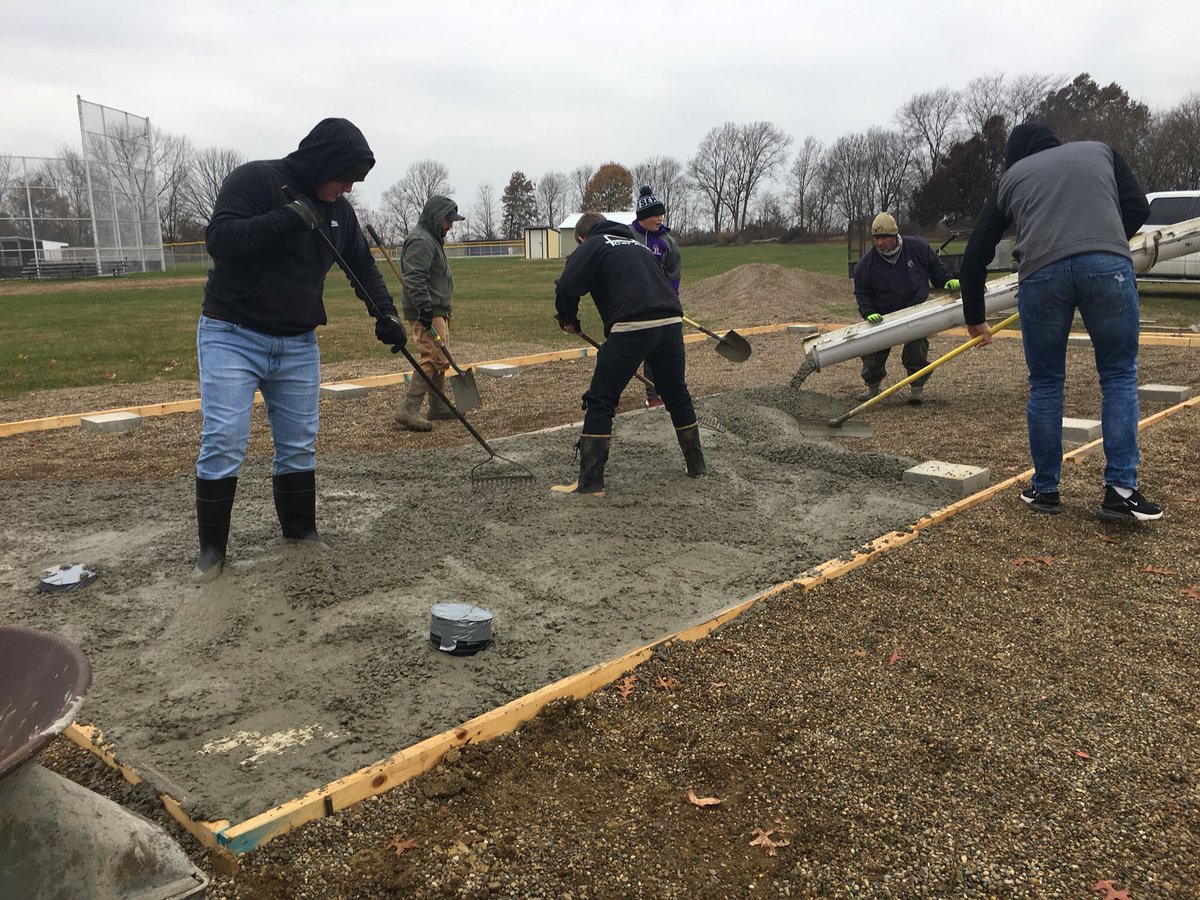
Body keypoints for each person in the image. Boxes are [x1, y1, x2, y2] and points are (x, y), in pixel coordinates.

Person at [194, 118, 407, 580]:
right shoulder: (255, 180)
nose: (348, 187)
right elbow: (221, 240)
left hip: (297, 342)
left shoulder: (339, 212)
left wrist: (385, 314)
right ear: (320, 162)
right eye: (344, 176)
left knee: (298, 445)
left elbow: (362, 268)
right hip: (232, 332)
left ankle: (299, 531)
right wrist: (285, 219)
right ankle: (212, 552)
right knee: (225, 439)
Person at [960, 122, 1160, 522]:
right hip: (1108, 269)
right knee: (1119, 374)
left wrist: (975, 319)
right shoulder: (1100, 151)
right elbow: (1139, 207)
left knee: (1047, 382)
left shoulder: (1011, 178)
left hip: (1041, 275)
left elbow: (975, 254)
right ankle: (1121, 490)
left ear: (1016, 155)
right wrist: (1103, 241)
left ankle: (1046, 489)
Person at [553, 212, 706, 494]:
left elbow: (565, 285)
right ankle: (697, 467)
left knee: (601, 399)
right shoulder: (637, 245)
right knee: (676, 393)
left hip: (632, 325)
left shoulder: (593, 245)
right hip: (671, 322)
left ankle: (590, 483)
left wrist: (568, 318)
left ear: (580, 239)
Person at [852, 212, 960, 405]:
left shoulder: (916, 248)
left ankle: (917, 388)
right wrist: (868, 313)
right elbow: (862, 293)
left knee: (916, 350)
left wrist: (947, 279)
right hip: (883, 315)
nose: (880, 243)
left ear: (895, 236)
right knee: (872, 353)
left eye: (884, 237)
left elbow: (936, 268)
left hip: (915, 309)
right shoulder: (865, 265)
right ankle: (873, 388)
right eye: (876, 238)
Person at [394, 195, 466, 431]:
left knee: (440, 357)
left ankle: (438, 407)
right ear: (437, 218)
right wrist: (424, 307)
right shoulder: (421, 241)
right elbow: (414, 277)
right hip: (427, 310)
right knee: (431, 357)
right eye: (448, 220)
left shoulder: (432, 239)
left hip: (437, 309)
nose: (450, 225)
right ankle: (409, 408)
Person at [630, 186, 682, 409]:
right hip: (630, 304)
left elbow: (674, 277)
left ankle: (654, 394)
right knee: (624, 351)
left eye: (662, 214)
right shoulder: (626, 235)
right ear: (643, 216)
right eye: (655, 214)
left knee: (656, 351)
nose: (660, 218)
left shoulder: (667, 242)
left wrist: (671, 302)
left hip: (658, 305)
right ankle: (607, 396)